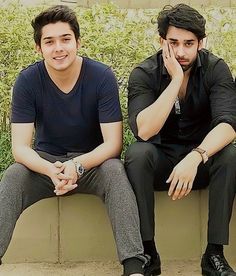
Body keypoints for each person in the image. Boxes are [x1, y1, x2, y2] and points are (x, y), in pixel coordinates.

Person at [0, 5, 150, 276]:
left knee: (116, 171)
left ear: (78, 42)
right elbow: (20, 147)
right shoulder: (27, 81)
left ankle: (134, 267)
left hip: (92, 163)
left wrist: (78, 165)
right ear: (39, 48)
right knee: (13, 175)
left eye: (66, 39)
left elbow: (113, 144)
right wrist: (51, 169)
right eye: (49, 41)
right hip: (47, 166)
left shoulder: (101, 76)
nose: (59, 48)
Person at [125, 4, 236, 276]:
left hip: (201, 160)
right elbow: (144, 131)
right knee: (137, 154)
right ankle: (148, 252)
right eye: (173, 43)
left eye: (189, 43)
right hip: (162, 163)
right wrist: (175, 80)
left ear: (201, 42)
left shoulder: (216, 69)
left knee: (231, 154)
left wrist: (196, 156)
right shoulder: (144, 73)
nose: (181, 52)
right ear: (161, 41)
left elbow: (229, 125)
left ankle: (214, 254)